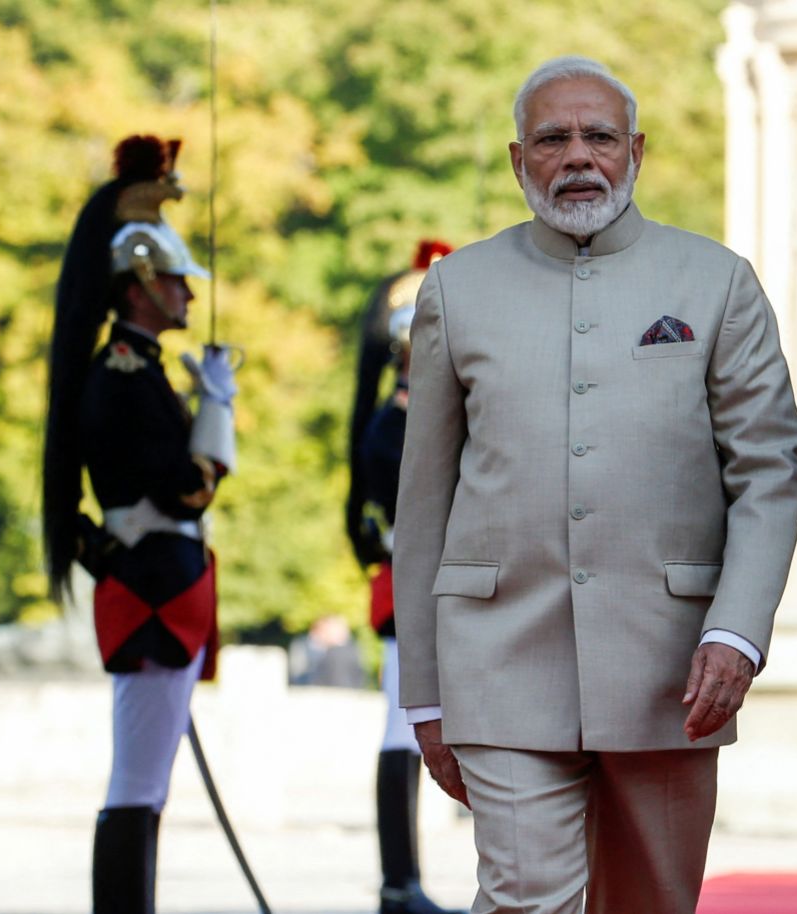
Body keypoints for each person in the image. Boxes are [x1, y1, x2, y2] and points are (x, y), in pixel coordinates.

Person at [392, 56, 797, 914]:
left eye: (598, 137)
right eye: (552, 139)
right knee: (524, 898)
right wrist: (424, 691)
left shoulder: (716, 281)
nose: (577, 156)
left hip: (673, 669)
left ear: (637, 151)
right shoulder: (455, 288)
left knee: (651, 903)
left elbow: (769, 469)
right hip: (499, 662)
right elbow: (423, 501)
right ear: (518, 161)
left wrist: (738, 632)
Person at [41, 135, 239, 912]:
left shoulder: (140, 371)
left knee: (144, 785)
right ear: (143, 286)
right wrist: (218, 408)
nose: (190, 295)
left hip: (155, 581)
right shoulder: (126, 378)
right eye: (179, 283)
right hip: (155, 585)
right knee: (137, 785)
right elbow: (191, 488)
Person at [346, 239, 463, 914]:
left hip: (440, 585)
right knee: (402, 728)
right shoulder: (394, 427)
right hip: (409, 584)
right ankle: (398, 880)